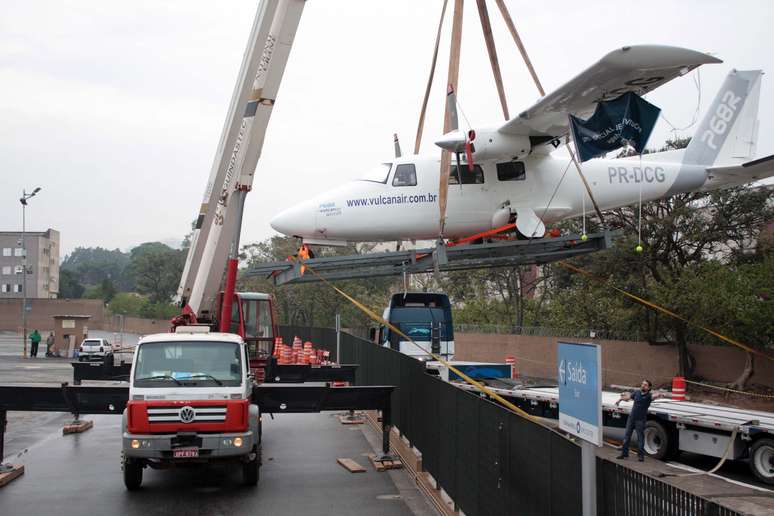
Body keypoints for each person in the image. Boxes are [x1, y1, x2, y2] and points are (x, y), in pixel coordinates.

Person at [615, 379, 661, 461]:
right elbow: (628, 397)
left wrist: (659, 394)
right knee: (626, 437)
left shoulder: (649, 396)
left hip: (640, 420)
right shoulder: (637, 393)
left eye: (645, 385)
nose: (643, 385)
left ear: (649, 388)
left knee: (640, 438)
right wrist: (620, 400)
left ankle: (640, 456)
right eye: (642, 384)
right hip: (631, 418)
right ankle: (624, 454)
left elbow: (655, 396)